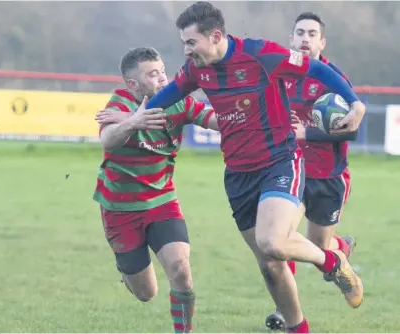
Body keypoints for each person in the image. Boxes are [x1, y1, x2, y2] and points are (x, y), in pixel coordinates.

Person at [140, 2, 365, 332]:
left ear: (215, 36)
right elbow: (170, 94)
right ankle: (297, 328)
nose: (186, 51)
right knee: (271, 264)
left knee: (272, 241)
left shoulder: (262, 54)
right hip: (237, 175)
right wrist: (133, 117)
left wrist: (356, 102)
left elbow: (317, 70)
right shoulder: (196, 70)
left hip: (279, 162)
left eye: (190, 42)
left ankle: (332, 261)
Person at [93, 46, 217, 334]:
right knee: (146, 293)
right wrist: (134, 120)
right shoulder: (121, 102)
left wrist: (249, 119)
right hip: (120, 209)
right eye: (153, 74)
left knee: (180, 269)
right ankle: (127, 268)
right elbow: (108, 139)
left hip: (162, 201)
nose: (162, 78)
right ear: (134, 84)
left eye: (162, 71)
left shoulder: (177, 100)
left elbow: (214, 120)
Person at [265, 12, 358, 331]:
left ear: (322, 42)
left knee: (317, 248)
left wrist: (308, 133)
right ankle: (285, 313)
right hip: (291, 172)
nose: (305, 39)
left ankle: (340, 250)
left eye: (311, 34)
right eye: (300, 33)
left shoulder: (334, 78)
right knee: (282, 237)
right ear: (291, 39)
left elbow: (351, 132)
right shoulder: (280, 75)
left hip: (328, 176)